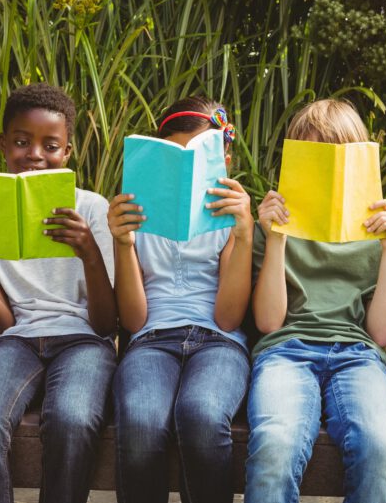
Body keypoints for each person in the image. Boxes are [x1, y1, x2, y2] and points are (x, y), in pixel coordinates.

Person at [0, 83, 116, 503]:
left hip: (83, 340)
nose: (36, 155)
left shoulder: (93, 209)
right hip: (16, 340)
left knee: (73, 418)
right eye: (22, 142)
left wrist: (89, 252)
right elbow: (1, 322)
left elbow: (105, 323)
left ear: (68, 151)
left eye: (51, 145)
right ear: (4, 144)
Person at [245, 99, 386, 503]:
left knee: (382, 446)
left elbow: (384, 332)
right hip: (285, 350)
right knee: (275, 444)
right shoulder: (271, 224)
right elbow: (268, 322)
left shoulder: (375, 230)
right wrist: (278, 238)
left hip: (358, 354)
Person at [108, 96, 253, 503]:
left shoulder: (231, 219)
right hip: (151, 339)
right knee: (139, 422)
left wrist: (244, 234)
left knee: (203, 417)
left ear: (225, 153)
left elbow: (228, 318)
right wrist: (123, 243)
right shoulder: (137, 215)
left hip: (218, 342)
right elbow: (134, 321)